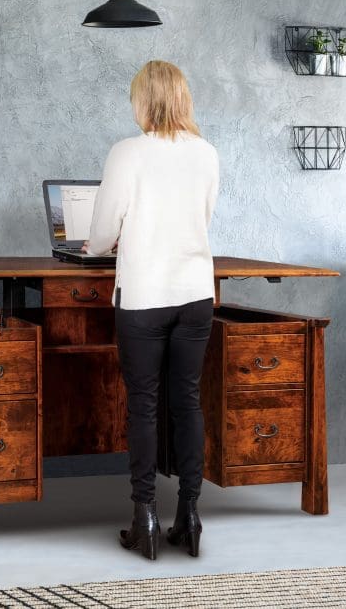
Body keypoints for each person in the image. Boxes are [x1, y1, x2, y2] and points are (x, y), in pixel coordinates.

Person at [84, 60, 219, 560]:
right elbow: (202, 218)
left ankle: (144, 518)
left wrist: (102, 244)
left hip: (144, 296)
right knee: (187, 401)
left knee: (143, 403)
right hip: (196, 294)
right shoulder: (206, 152)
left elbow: (102, 235)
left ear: (143, 100)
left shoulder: (127, 152)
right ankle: (189, 515)